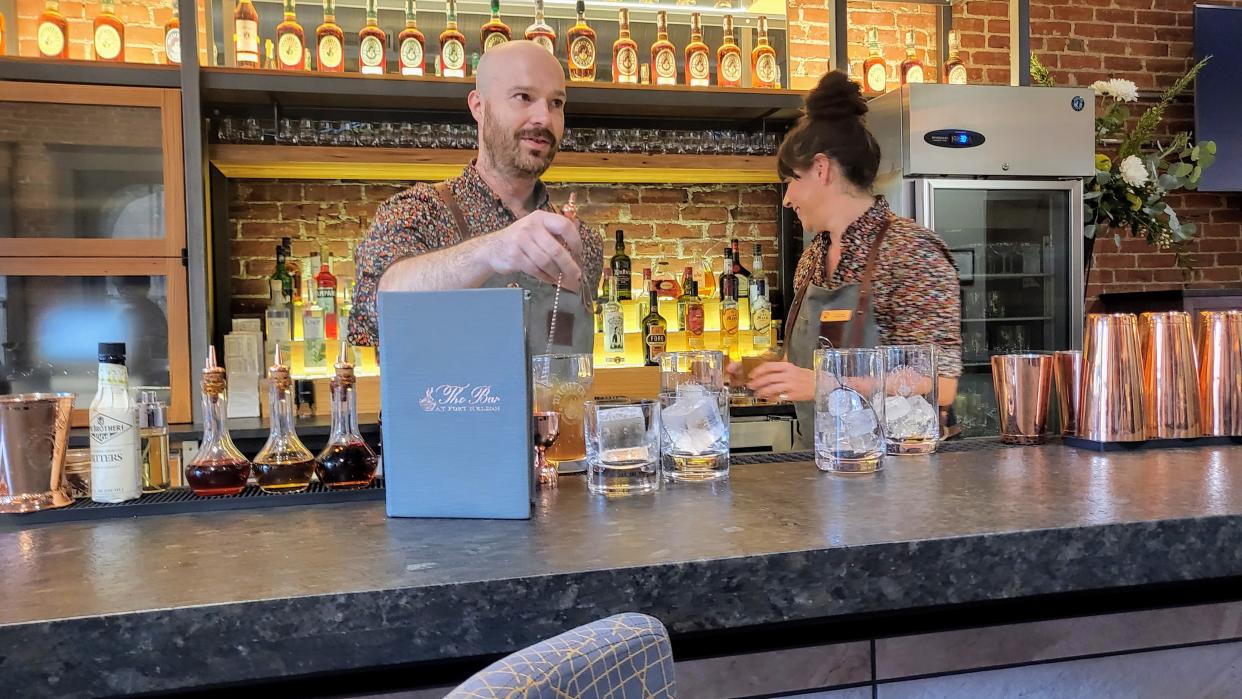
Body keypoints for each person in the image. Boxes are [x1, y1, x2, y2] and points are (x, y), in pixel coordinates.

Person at [735, 71, 962, 448]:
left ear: (821, 169)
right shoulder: (812, 259)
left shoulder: (910, 252)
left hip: (898, 477)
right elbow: (814, 361)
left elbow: (941, 384)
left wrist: (823, 384)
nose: (787, 198)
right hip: (822, 465)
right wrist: (761, 371)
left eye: (791, 180)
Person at [348, 41, 603, 355]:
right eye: (524, 97)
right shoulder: (418, 213)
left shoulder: (582, 240)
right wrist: (491, 250)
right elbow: (373, 313)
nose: (544, 118)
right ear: (478, 106)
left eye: (556, 103)